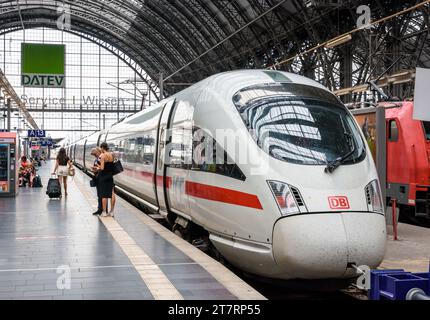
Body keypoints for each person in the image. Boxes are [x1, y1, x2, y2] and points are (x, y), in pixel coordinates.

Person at [95, 142, 116, 217]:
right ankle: (112, 211)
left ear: (102, 148)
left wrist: (98, 166)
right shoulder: (111, 155)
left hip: (103, 176)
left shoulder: (103, 156)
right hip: (110, 176)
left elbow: (102, 168)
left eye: (101, 148)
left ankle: (104, 212)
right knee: (112, 193)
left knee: (104, 194)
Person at [90, 147, 103, 216]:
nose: (94, 155)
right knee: (99, 195)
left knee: (101, 195)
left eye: (94, 153)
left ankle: (102, 209)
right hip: (97, 177)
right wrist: (94, 169)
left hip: (101, 178)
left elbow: (102, 168)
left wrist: (96, 169)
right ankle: (99, 209)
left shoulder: (101, 158)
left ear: (98, 152)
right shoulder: (96, 159)